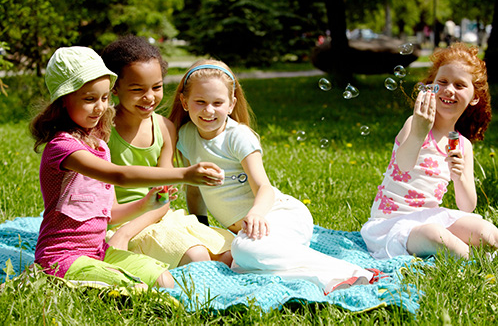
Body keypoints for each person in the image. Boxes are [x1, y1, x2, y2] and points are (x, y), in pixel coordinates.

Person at [168, 59, 377, 294]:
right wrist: (202, 227)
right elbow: (195, 189)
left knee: (244, 252)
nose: (209, 110)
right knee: (239, 262)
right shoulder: (185, 136)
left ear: (231, 104)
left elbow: (264, 187)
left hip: (279, 216)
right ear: (185, 102)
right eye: (200, 102)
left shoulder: (238, 137)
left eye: (218, 102)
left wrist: (256, 213)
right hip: (253, 235)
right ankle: (324, 277)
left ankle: (353, 273)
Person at [30, 46, 223, 290]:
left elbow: (108, 212)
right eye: (90, 99)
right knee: (136, 287)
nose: (100, 108)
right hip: (62, 258)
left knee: (164, 280)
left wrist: (144, 205)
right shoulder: (63, 148)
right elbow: (120, 175)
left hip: (99, 250)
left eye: (104, 98)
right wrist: (185, 173)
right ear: (63, 101)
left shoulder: (99, 144)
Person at [100, 35, 233, 268]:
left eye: (157, 87)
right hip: (119, 224)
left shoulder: (164, 128)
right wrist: (123, 235)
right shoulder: (102, 131)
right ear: (114, 88)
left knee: (235, 253)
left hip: (159, 216)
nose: (149, 97)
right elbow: (104, 207)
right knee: (197, 257)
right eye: (137, 89)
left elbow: (163, 199)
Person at [361, 43, 497, 259]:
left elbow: (467, 206)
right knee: (437, 236)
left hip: (430, 216)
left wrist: (459, 176)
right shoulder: (414, 124)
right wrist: (418, 132)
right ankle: (469, 258)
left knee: (490, 233)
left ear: (474, 98)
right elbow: (403, 165)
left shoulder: (463, 145)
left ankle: (468, 252)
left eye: (460, 85)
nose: (449, 89)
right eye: (442, 82)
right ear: (431, 87)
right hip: (392, 221)